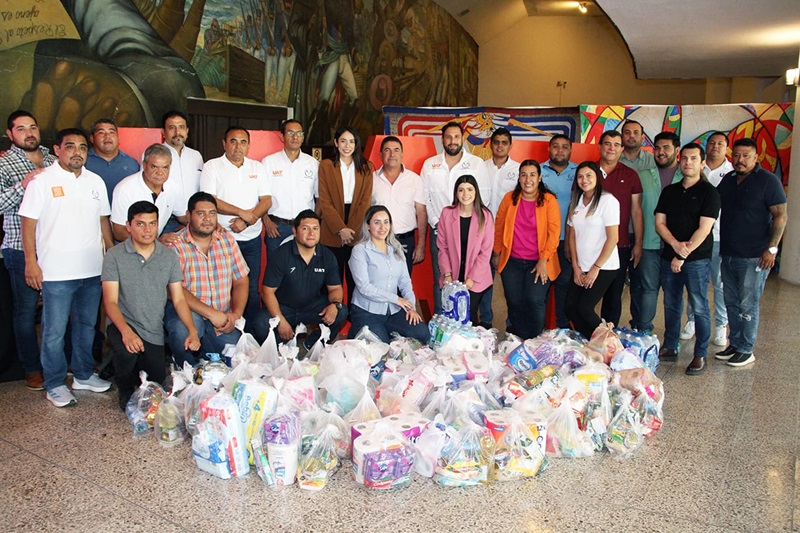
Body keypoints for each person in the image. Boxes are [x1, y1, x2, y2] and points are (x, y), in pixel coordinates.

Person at [19, 128, 114, 407]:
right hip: (56, 272)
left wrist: (110, 255)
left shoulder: (95, 181)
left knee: (86, 327)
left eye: (82, 147)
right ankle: (55, 383)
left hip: (92, 270)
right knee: (54, 331)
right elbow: (28, 224)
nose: (77, 152)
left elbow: (103, 222)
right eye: (70, 146)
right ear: (57, 150)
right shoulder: (41, 181)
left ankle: (83, 375)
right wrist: (31, 262)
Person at [102, 201, 200, 409]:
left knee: (157, 383)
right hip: (123, 323)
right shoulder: (114, 255)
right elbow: (110, 301)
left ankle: (126, 364)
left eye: (152, 224)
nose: (147, 230)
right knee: (126, 352)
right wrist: (126, 333)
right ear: (128, 226)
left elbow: (178, 298)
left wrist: (192, 330)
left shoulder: (168, 256)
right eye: (140, 224)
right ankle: (124, 384)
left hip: (153, 329)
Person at [715, 138, 787, 367]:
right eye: (736, 155)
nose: (740, 160)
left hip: (755, 256)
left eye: (746, 155)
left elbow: (780, 216)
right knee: (731, 302)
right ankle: (735, 344)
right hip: (728, 253)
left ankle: (747, 349)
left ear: (756, 157)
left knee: (748, 304)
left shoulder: (768, 181)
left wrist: (772, 249)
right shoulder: (728, 180)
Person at [0, 110, 55, 390]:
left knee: (55, 311)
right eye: (21, 129)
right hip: (20, 248)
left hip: (54, 247)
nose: (29, 133)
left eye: (32, 127)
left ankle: (55, 364)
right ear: (10, 134)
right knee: (26, 311)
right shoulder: (5, 163)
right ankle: (31, 368)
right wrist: (24, 185)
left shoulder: (53, 159)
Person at [655, 143, 720, 375]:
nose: (688, 163)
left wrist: (682, 254)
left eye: (693, 159)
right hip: (669, 256)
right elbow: (659, 223)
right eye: (684, 158)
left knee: (699, 305)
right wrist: (674, 246)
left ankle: (700, 354)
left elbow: (704, 229)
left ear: (702, 163)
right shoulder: (669, 191)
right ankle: (670, 345)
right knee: (671, 303)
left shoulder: (709, 192)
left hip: (697, 260)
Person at [166, 192, 249, 367]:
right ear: (188, 216)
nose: (207, 219)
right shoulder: (175, 245)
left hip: (221, 316)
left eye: (212, 213)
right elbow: (173, 290)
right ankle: (184, 368)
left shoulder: (226, 240)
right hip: (189, 313)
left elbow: (241, 280)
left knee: (236, 355)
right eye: (201, 213)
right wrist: (211, 314)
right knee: (182, 334)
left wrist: (236, 315)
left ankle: (206, 355)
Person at [200, 126, 271, 325]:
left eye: (243, 142)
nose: (238, 146)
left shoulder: (257, 167)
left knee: (251, 288)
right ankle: (222, 328)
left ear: (248, 146)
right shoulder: (212, 166)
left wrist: (247, 220)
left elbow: (266, 200)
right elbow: (210, 200)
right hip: (222, 239)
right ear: (224, 144)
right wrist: (241, 213)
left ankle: (250, 332)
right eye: (233, 141)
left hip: (251, 240)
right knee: (221, 288)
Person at [252, 210, 348, 347]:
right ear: (295, 231)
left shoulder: (327, 256)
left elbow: (335, 288)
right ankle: (282, 348)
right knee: (260, 322)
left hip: (312, 307)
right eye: (305, 228)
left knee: (341, 311)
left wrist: (335, 304)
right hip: (284, 308)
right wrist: (281, 321)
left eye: (315, 228)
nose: (311, 233)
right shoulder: (281, 255)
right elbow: (267, 292)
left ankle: (312, 344)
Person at [421, 122, 489, 314]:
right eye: (448, 137)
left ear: (463, 138)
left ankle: (471, 321)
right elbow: (424, 198)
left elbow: (484, 196)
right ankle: (441, 321)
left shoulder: (476, 164)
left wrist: (470, 222)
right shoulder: (430, 164)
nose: (453, 141)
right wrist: (438, 222)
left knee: (471, 278)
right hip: (439, 230)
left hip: (470, 231)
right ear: (442, 139)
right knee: (443, 277)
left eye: (457, 136)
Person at [493, 160, 562, 339]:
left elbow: (554, 233)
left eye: (532, 175)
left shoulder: (549, 201)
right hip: (512, 261)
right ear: (519, 178)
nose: (527, 179)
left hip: (539, 262)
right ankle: (519, 340)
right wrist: (496, 252)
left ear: (539, 178)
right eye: (523, 175)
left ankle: (534, 340)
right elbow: (499, 225)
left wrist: (543, 260)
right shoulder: (510, 199)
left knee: (534, 300)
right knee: (514, 301)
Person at [348, 205, 430, 343]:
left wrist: (411, 308)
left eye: (386, 222)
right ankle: (360, 331)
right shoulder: (360, 250)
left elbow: (405, 282)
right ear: (368, 226)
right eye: (377, 222)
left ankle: (382, 333)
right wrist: (396, 299)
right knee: (382, 348)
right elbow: (364, 287)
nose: (382, 227)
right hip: (367, 311)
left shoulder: (396, 249)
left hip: (392, 311)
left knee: (423, 334)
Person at [682, 131, 733, 345]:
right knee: (696, 283)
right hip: (694, 238)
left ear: (727, 147)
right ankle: (692, 320)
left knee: (719, 284)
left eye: (720, 143)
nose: (715, 146)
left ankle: (721, 324)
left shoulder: (731, 173)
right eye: (711, 143)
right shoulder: (695, 170)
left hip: (719, 236)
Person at [629, 131, 679, 334]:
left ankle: (671, 338)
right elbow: (636, 210)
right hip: (649, 243)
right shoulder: (643, 175)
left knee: (673, 294)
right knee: (647, 290)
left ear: (677, 150)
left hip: (677, 246)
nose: (661, 152)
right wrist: (637, 243)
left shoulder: (686, 175)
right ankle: (644, 333)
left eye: (666, 148)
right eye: (657, 148)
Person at [318, 126, 374, 303]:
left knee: (354, 279)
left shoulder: (366, 167)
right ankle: (331, 315)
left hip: (356, 227)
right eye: (343, 141)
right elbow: (324, 201)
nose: (347, 146)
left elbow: (365, 202)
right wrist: (340, 229)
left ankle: (353, 315)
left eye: (351, 141)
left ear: (356, 144)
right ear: (336, 143)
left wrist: (350, 231)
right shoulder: (326, 166)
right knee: (330, 279)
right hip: (331, 226)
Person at [565, 161, 620, 339]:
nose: (584, 180)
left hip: (603, 266)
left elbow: (613, 238)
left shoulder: (608, 201)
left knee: (585, 308)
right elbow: (572, 236)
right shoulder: (576, 202)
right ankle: (591, 341)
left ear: (597, 177)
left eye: (589, 175)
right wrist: (575, 267)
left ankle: (610, 343)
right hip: (581, 265)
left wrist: (596, 268)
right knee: (570, 307)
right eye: (580, 176)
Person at [597, 130, 643, 327]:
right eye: (607, 143)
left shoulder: (630, 175)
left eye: (616, 145)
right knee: (585, 293)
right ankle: (584, 332)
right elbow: (576, 207)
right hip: (589, 244)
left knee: (613, 295)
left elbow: (636, 211)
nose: (611, 148)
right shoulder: (588, 172)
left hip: (619, 244)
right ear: (600, 146)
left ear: (622, 149)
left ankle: (609, 333)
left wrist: (638, 243)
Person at [437, 175, 495, 325]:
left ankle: (472, 339)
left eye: (469, 189)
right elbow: (442, 247)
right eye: (461, 190)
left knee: (467, 313)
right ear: (456, 193)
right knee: (452, 315)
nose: (465, 194)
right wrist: (447, 274)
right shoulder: (447, 214)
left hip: (477, 276)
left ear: (476, 192)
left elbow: (485, 252)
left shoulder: (485, 216)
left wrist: (471, 279)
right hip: (452, 276)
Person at [261, 119, 319, 258]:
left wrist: (314, 223)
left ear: (303, 137)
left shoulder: (313, 163)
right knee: (276, 268)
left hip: (305, 228)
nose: (295, 137)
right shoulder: (269, 162)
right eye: (291, 133)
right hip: (277, 227)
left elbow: (319, 198)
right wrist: (267, 222)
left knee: (305, 267)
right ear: (282, 136)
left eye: (299, 133)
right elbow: (259, 196)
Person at [371, 136, 427, 275]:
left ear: (402, 154)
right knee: (379, 282)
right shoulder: (371, 180)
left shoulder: (414, 179)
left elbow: (421, 213)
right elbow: (366, 212)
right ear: (381, 155)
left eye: (396, 150)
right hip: (378, 242)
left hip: (405, 241)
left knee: (403, 283)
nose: (392, 154)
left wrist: (421, 245)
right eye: (387, 150)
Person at [111, 144, 185, 243]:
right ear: (144, 165)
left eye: (165, 167)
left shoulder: (173, 186)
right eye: (154, 167)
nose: (160, 172)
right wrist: (156, 242)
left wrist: (189, 226)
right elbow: (119, 232)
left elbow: (183, 217)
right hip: (129, 246)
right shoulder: (125, 189)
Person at [540, 134, 578, 329]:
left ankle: (563, 329)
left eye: (564, 147)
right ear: (549, 149)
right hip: (543, 240)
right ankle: (537, 330)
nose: (560, 150)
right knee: (541, 287)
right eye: (555, 146)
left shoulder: (580, 172)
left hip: (568, 240)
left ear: (570, 150)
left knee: (565, 285)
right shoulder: (537, 171)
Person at [161, 111, 205, 233]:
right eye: (171, 128)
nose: (177, 132)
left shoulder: (196, 156)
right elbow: (152, 191)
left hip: (194, 220)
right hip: (167, 221)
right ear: (163, 132)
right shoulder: (155, 155)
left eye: (181, 127)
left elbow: (200, 188)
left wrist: (190, 221)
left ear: (187, 131)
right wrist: (181, 217)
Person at [85, 118, 140, 204]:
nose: (107, 136)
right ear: (92, 138)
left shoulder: (132, 164)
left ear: (118, 138)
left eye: (112, 132)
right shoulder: (83, 162)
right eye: (101, 132)